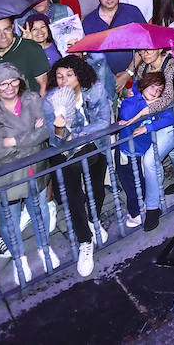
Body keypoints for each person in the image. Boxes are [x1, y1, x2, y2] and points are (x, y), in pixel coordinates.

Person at [0, 62, 57, 280]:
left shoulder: (32, 99)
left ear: (20, 80)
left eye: (13, 81)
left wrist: (12, 141)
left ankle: (44, 248)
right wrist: (31, 137)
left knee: (39, 210)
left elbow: (45, 131)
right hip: (7, 177)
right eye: (2, 84)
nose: (9, 87)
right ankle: (19, 259)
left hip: (35, 169)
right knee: (9, 221)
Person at [43, 55, 113, 277]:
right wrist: (59, 129)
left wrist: (77, 134)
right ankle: (85, 241)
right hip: (65, 154)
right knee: (73, 196)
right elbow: (55, 141)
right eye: (59, 76)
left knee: (97, 189)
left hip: (94, 145)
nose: (63, 81)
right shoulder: (50, 100)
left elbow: (103, 121)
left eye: (69, 75)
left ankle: (94, 219)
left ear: (80, 75)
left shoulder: (95, 89)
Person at [115, 72, 174, 232]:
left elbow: (170, 117)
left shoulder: (159, 105)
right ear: (144, 86)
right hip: (126, 152)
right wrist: (146, 105)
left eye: (160, 90)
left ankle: (144, 209)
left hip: (142, 151)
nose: (156, 92)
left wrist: (148, 127)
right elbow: (126, 115)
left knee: (143, 180)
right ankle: (135, 212)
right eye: (152, 86)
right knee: (130, 184)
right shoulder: (133, 101)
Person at [80, 0, 146, 92]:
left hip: (134, 77)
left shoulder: (132, 12)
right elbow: (87, 57)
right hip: (102, 81)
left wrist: (128, 73)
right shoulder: (88, 22)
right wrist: (108, 77)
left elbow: (145, 45)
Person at [0, 16, 51, 94]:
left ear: (12, 28)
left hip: (29, 103)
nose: (3, 36)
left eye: (7, 29)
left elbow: (43, 86)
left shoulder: (31, 48)